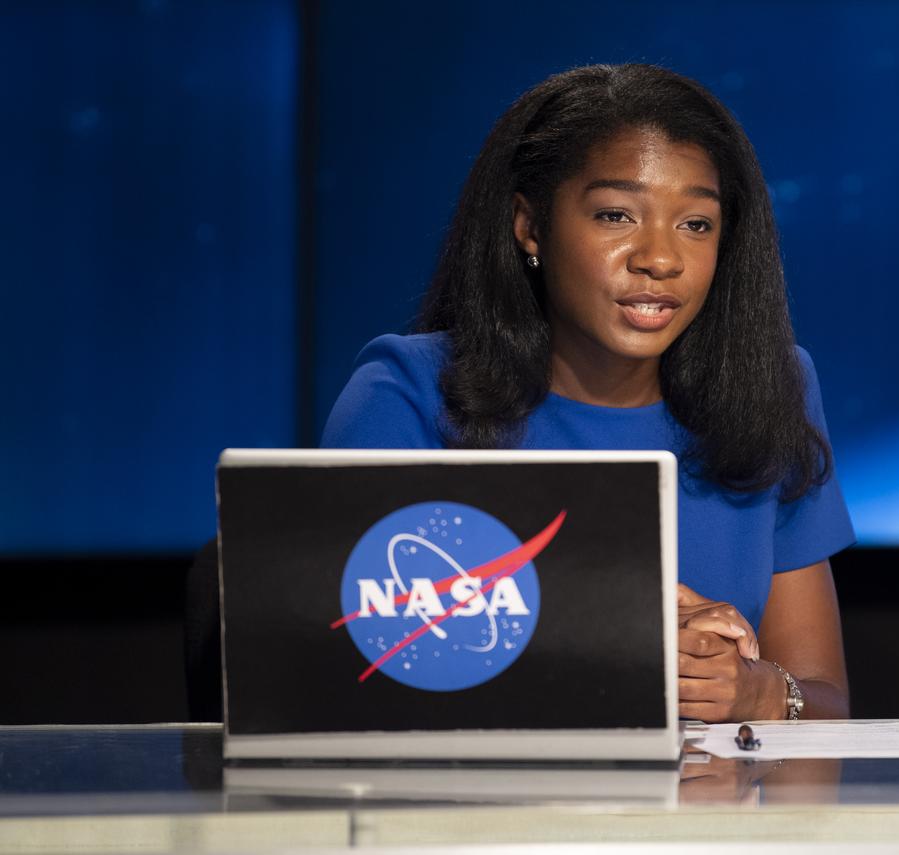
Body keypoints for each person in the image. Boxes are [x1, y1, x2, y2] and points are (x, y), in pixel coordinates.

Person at [322, 64, 855, 722]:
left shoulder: (771, 388)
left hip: (707, 820)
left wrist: (761, 691)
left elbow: (823, 694)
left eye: (696, 224)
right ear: (530, 227)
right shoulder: (408, 395)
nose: (660, 258)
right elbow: (345, 673)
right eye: (616, 215)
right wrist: (618, 626)